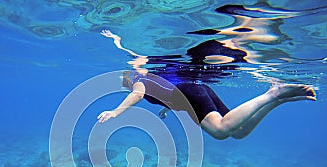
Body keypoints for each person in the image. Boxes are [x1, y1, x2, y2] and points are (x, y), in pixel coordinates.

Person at [97, 30, 316, 140]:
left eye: (122, 80)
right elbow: (169, 91)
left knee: (221, 131)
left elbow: (136, 94)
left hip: (192, 94)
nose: (123, 83)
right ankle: (276, 98)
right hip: (197, 89)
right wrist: (167, 108)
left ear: (129, 76)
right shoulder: (151, 80)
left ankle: (273, 94)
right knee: (238, 132)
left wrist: (116, 113)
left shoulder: (139, 80)